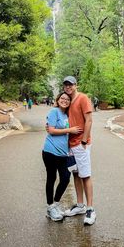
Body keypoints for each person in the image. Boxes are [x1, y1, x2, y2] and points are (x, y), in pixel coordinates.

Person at [62, 76, 96, 225]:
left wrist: (84, 140)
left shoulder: (82, 98)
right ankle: (80, 206)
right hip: (71, 144)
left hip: (81, 144)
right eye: (66, 85)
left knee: (85, 175)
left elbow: (89, 120)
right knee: (76, 174)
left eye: (70, 84)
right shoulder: (68, 101)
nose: (68, 87)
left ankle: (90, 209)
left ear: (76, 85)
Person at [42, 91, 81, 222]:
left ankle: (56, 204)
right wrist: (69, 130)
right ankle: (50, 207)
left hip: (63, 154)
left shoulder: (68, 115)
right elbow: (51, 130)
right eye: (62, 98)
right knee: (51, 178)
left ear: (70, 102)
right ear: (58, 100)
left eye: (67, 99)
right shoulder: (54, 112)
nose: (64, 100)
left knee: (65, 178)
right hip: (50, 151)